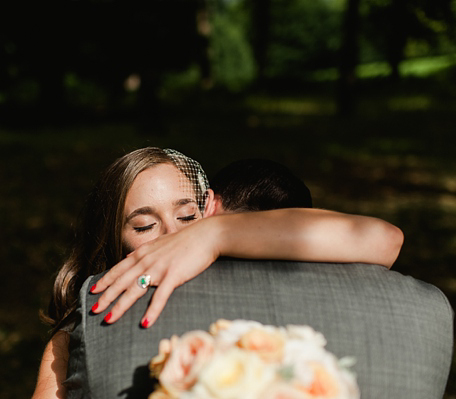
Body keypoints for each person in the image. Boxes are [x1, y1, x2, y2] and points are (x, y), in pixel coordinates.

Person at [31, 147, 403, 399]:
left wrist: (214, 235)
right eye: (144, 226)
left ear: (208, 208)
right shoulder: (82, 327)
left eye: (188, 217)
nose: (174, 237)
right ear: (113, 240)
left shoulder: (232, 260)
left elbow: (382, 239)